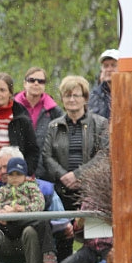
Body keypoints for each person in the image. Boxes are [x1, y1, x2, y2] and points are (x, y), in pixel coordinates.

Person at [42, 75, 109, 213]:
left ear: (85, 98)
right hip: (61, 190)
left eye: (76, 95)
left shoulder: (100, 123)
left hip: (91, 190)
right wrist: (64, 175)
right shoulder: (54, 126)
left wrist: (77, 175)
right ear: (62, 99)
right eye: (67, 96)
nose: (72, 99)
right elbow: (47, 156)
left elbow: (104, 154)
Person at [32, 201, 112, 263]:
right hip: (90, 247)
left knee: (111, 262)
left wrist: (113, 222)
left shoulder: (118, 198)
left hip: (112, 247)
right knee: (70, 262)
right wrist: (79, 224)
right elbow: (76, 232)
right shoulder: (89, 201)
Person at [0, 72, 38, 189]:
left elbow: (33, 150)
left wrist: (25, 172)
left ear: (10, 93)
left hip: (17, 181)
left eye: (2, 90)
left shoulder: (21, 118)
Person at [14, 67, 63, 179]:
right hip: (16, 171)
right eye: (32, 80)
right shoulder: (13, 107)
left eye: (40, 81)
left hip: (45, 173)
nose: (36, 83)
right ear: (24, 83)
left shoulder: (54, 111)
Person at [88, 49, 118, 120]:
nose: (109, 69)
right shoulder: (93, 97)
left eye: (113, 65)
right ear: (101, 69)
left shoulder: (130, 94)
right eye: (105, 66)